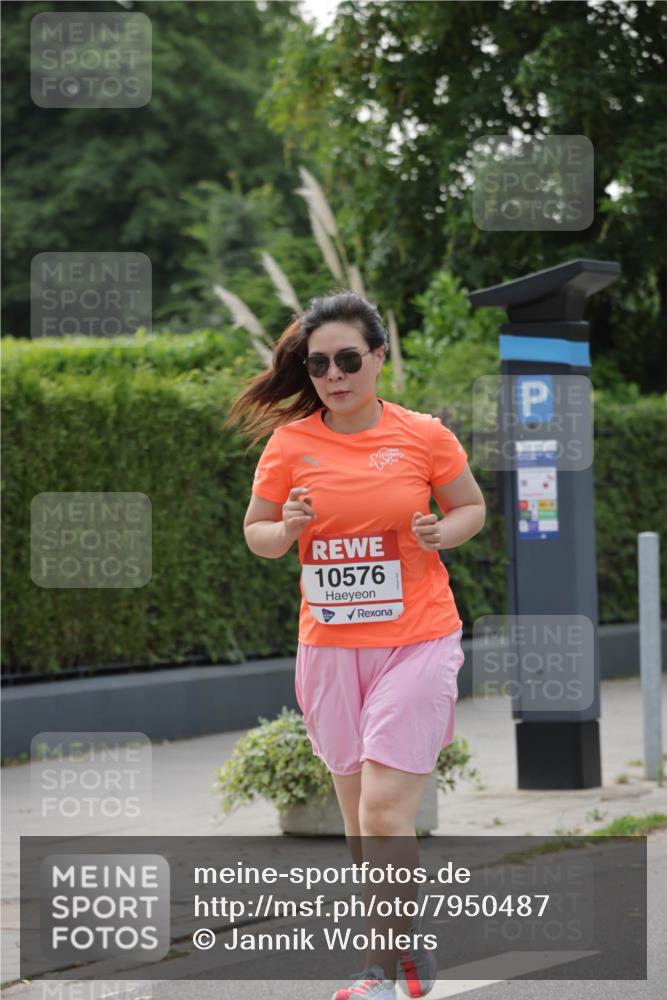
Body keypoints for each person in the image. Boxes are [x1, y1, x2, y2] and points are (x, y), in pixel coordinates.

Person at [225, 291, 486, 1000]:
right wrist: (288, 529)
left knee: (380, 811)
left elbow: (469, 506)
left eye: (347, 359)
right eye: (317, 364)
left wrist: (444, 530)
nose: (334, 375)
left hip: (418, 637)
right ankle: (384, 956)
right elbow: (259, 532)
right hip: (332, 649)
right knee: (353, 816)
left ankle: (394, 957)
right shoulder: (290, 445)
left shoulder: (423, 435)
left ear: (377, 357)